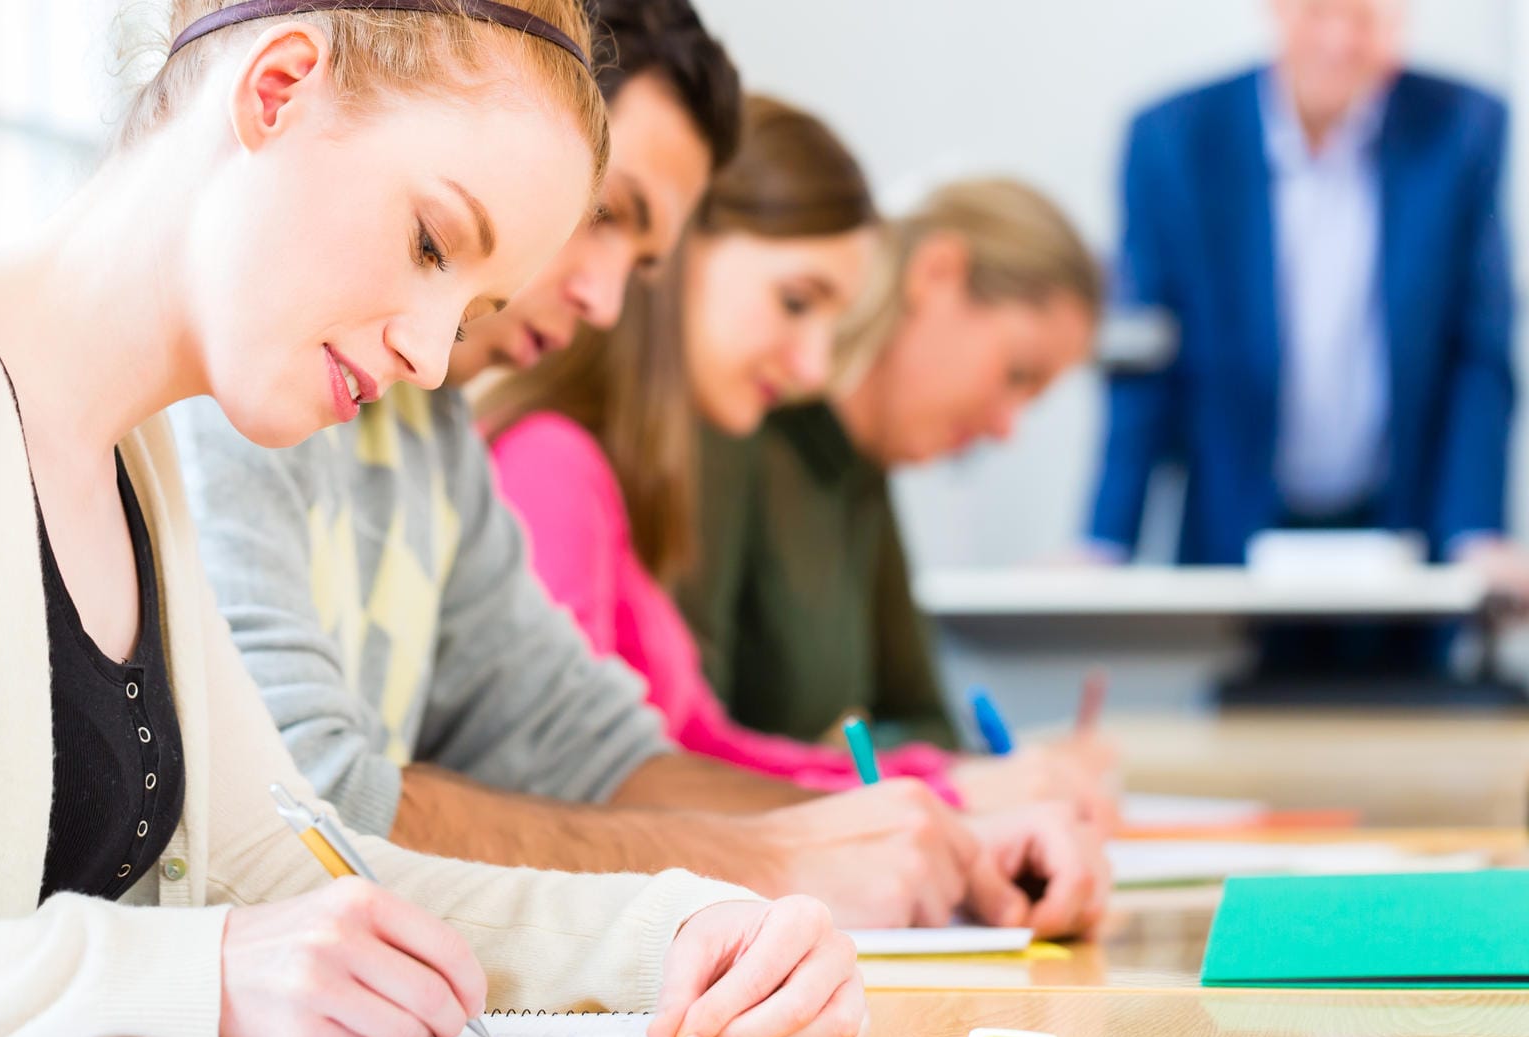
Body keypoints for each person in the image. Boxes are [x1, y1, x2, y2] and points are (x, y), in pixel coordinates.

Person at [0, 3, 867, 1037]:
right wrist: (186, 975)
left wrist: (688, 931)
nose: (434, 356)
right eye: (430, 242)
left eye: (472, 304)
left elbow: (295, 876)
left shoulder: (134, 464)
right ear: (279, 88)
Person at [178, 0, 1100, 934]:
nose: (609, 299)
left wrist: (928, 838)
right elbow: (299, 810)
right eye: (604, 213)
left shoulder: (430, 425)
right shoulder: (249, 377)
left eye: (643, 254)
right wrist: (772, 860)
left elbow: (592, 753)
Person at [1087, 0, 1528, 673]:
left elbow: (1477, 349)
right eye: (1320, 11)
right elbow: (1148, 358)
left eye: (1369, 19)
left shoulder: (1462, 128)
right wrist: (1104, 540)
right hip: (1236, 527)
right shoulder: (1175, 138)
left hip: (1403, 522)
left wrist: (1475, 532)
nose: (1340, 41)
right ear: (1276, 11)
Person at [667, 176, 1117, 821]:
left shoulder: (861, 472)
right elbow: (683, 746)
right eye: (1017, 374)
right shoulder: (736, 429)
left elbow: (927, 721)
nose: (1006, 428)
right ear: (937, 273)